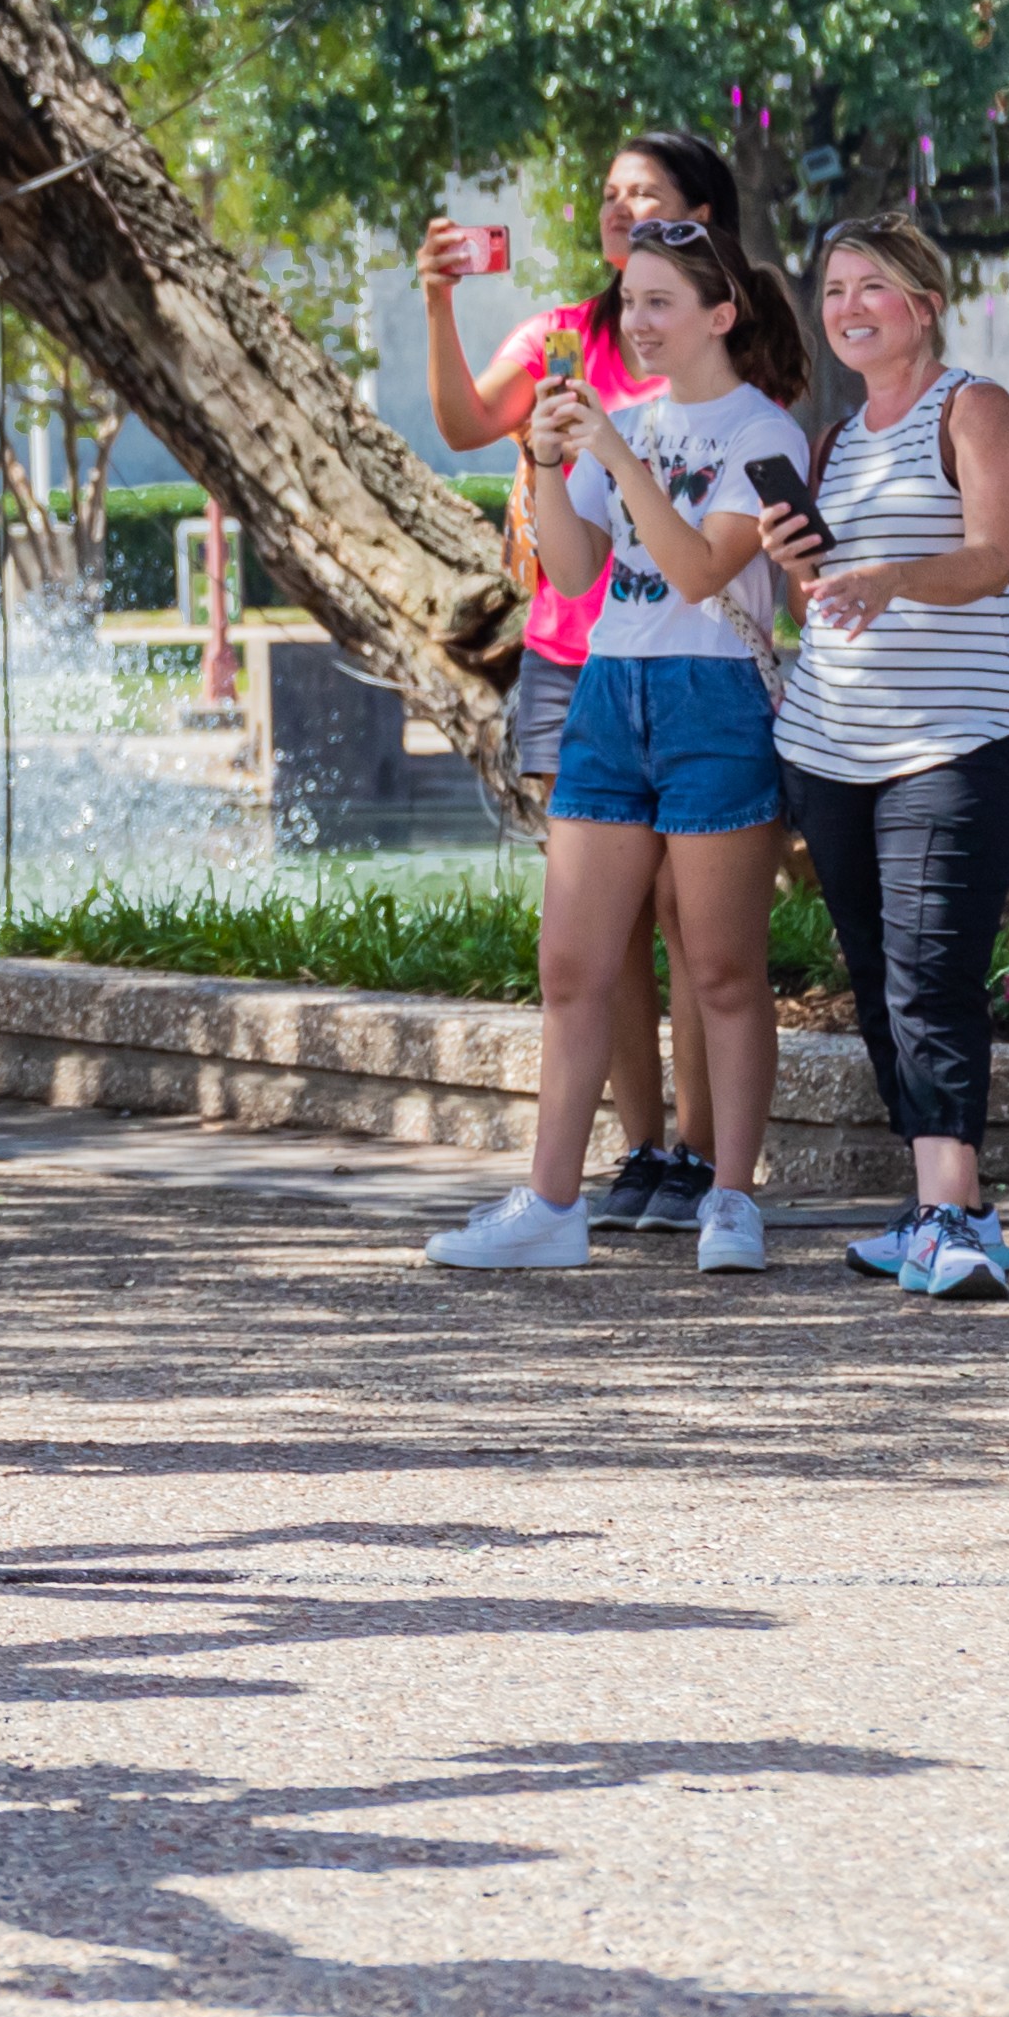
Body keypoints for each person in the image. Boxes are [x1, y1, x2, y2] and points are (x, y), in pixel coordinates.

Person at [427, 213, 815, 1280]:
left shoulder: (762, 432)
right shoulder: (624, 421)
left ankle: (731, 1196)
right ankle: (551, 1203)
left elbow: (697, 571)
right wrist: (546, 460)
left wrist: (608, 447)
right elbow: (570, 568)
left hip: (714, 698)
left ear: (717, 315)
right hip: (609, 691)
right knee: (572, 965)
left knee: (722, 964)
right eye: (629, 302)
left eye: (659, 303)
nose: (635, 322)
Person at [416, 134, 739, 1223]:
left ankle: (703, 1156)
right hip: (573, 659)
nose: (619, 210)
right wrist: (436, 302)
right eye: (608, 195)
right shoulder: (560, 335)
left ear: (698, 216)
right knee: (602, 932)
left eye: (644, 195)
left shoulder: (702, 343)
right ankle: (641, 1152)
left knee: (688, 921)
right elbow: (465, 424)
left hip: (687, 666)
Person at [766, 214, 1009, 1303]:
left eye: (870, 287)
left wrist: (888, 576)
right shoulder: (833, 445)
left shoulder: (973, 409)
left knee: (932, 974)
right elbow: (830, 605)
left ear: (922, 303)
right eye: (833, 290)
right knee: (882, 980)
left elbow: (985, 557)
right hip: (834, 746)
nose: (846, 308)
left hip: (957, 740)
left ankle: (950, 1221)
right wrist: (814, 573)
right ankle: (942, 1207)